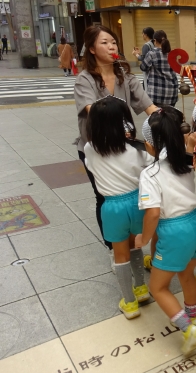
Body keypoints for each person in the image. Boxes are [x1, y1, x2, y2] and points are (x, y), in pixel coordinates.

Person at [74, 25, 158, 267]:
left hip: (124, 146)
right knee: (104, 197)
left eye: (113, 42)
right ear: (91, 49)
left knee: (132, 194)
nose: (111, 46)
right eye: (104, 42)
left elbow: (147, 105)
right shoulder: (84, 79)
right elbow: (92, 110)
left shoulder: (125, 76)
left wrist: (166, 120)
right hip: (96, 147)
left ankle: (132, 244)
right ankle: (114, 247)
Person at [136, 107, 196, 355]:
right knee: (187, 275)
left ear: (150, 145)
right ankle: (193, 317)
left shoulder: (150, 173)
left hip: (175, 231)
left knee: (157, 288)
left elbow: (153, 213)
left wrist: (144, 238)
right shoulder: (186, 160)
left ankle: (189, 329)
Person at [84, 96, 152, 319]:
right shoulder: (136, 150)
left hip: (112, 207)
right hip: (137, 203)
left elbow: (92, 167)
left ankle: (129, 303)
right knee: (135, 246)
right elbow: (149, 167)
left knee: (120, 254)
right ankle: (141, 289)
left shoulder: (90, 149)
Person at [134, 30, 178, 108]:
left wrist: (137, 55)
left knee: (157, 115)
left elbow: (143, 67)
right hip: (172, 93)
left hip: (156, 94)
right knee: (169, 114)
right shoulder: (172, 54)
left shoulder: (152, 53)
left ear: (155, 41)